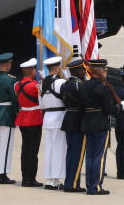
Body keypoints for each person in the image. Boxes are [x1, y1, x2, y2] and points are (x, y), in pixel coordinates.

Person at [80, 59, 124, 195]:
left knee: (90, 156)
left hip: (88, 123)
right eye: (105, 71)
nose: (106, 73)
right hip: (100, 124)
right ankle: (96, 187)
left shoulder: (84, 86)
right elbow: (108, 109)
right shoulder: (103, 87)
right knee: (99, 157)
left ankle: (89, 185)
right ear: (100, 71)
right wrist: (120, 106)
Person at [0, 53, 19, 185]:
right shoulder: (10, 80)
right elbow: (14, 99)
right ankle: (3, 174)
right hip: (6, 114)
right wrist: (16, 113)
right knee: (6, 146)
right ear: (7, 64)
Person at [39, 56, 67, 190]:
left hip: (47, 117)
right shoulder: (61, 82)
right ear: (56, 68)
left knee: (49, 149)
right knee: (58, 149)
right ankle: (55, 178)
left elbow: (41, 104)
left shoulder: (41, 84)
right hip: (59, 117)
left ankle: (49, 179)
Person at [14, 58, 43, 187]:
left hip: (22, 117)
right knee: (32, 150)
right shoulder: (35, 86)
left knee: (25, 149)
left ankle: (25, 176)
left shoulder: (17, 85)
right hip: (34, 118)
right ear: (32, 71)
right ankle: (30, 178)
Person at [61, 58, 87, 193]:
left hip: (68, 119)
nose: (84, 71)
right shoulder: (80, 85)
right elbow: (84, 103)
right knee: (77, 153)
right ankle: (73, 183)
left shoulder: (65, 84)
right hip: (78, 121)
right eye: (82, 69)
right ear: (77, 70)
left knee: (70, 153)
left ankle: (68, 181)